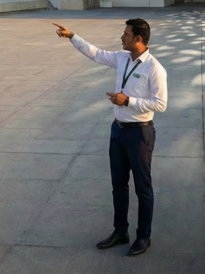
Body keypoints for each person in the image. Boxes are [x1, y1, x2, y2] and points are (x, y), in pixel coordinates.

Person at [53, 19, 168, 257]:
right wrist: (72, 36)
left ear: (138, 38)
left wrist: (128, 101)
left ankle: (143, 236)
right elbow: (95, 53)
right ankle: (120, 231)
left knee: (143, 188)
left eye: (126, 34)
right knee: (118, 185)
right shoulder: (122, 58)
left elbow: (161, 104)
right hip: (118, 130)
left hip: (140, 133)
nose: (121, 37)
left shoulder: (154, 68)